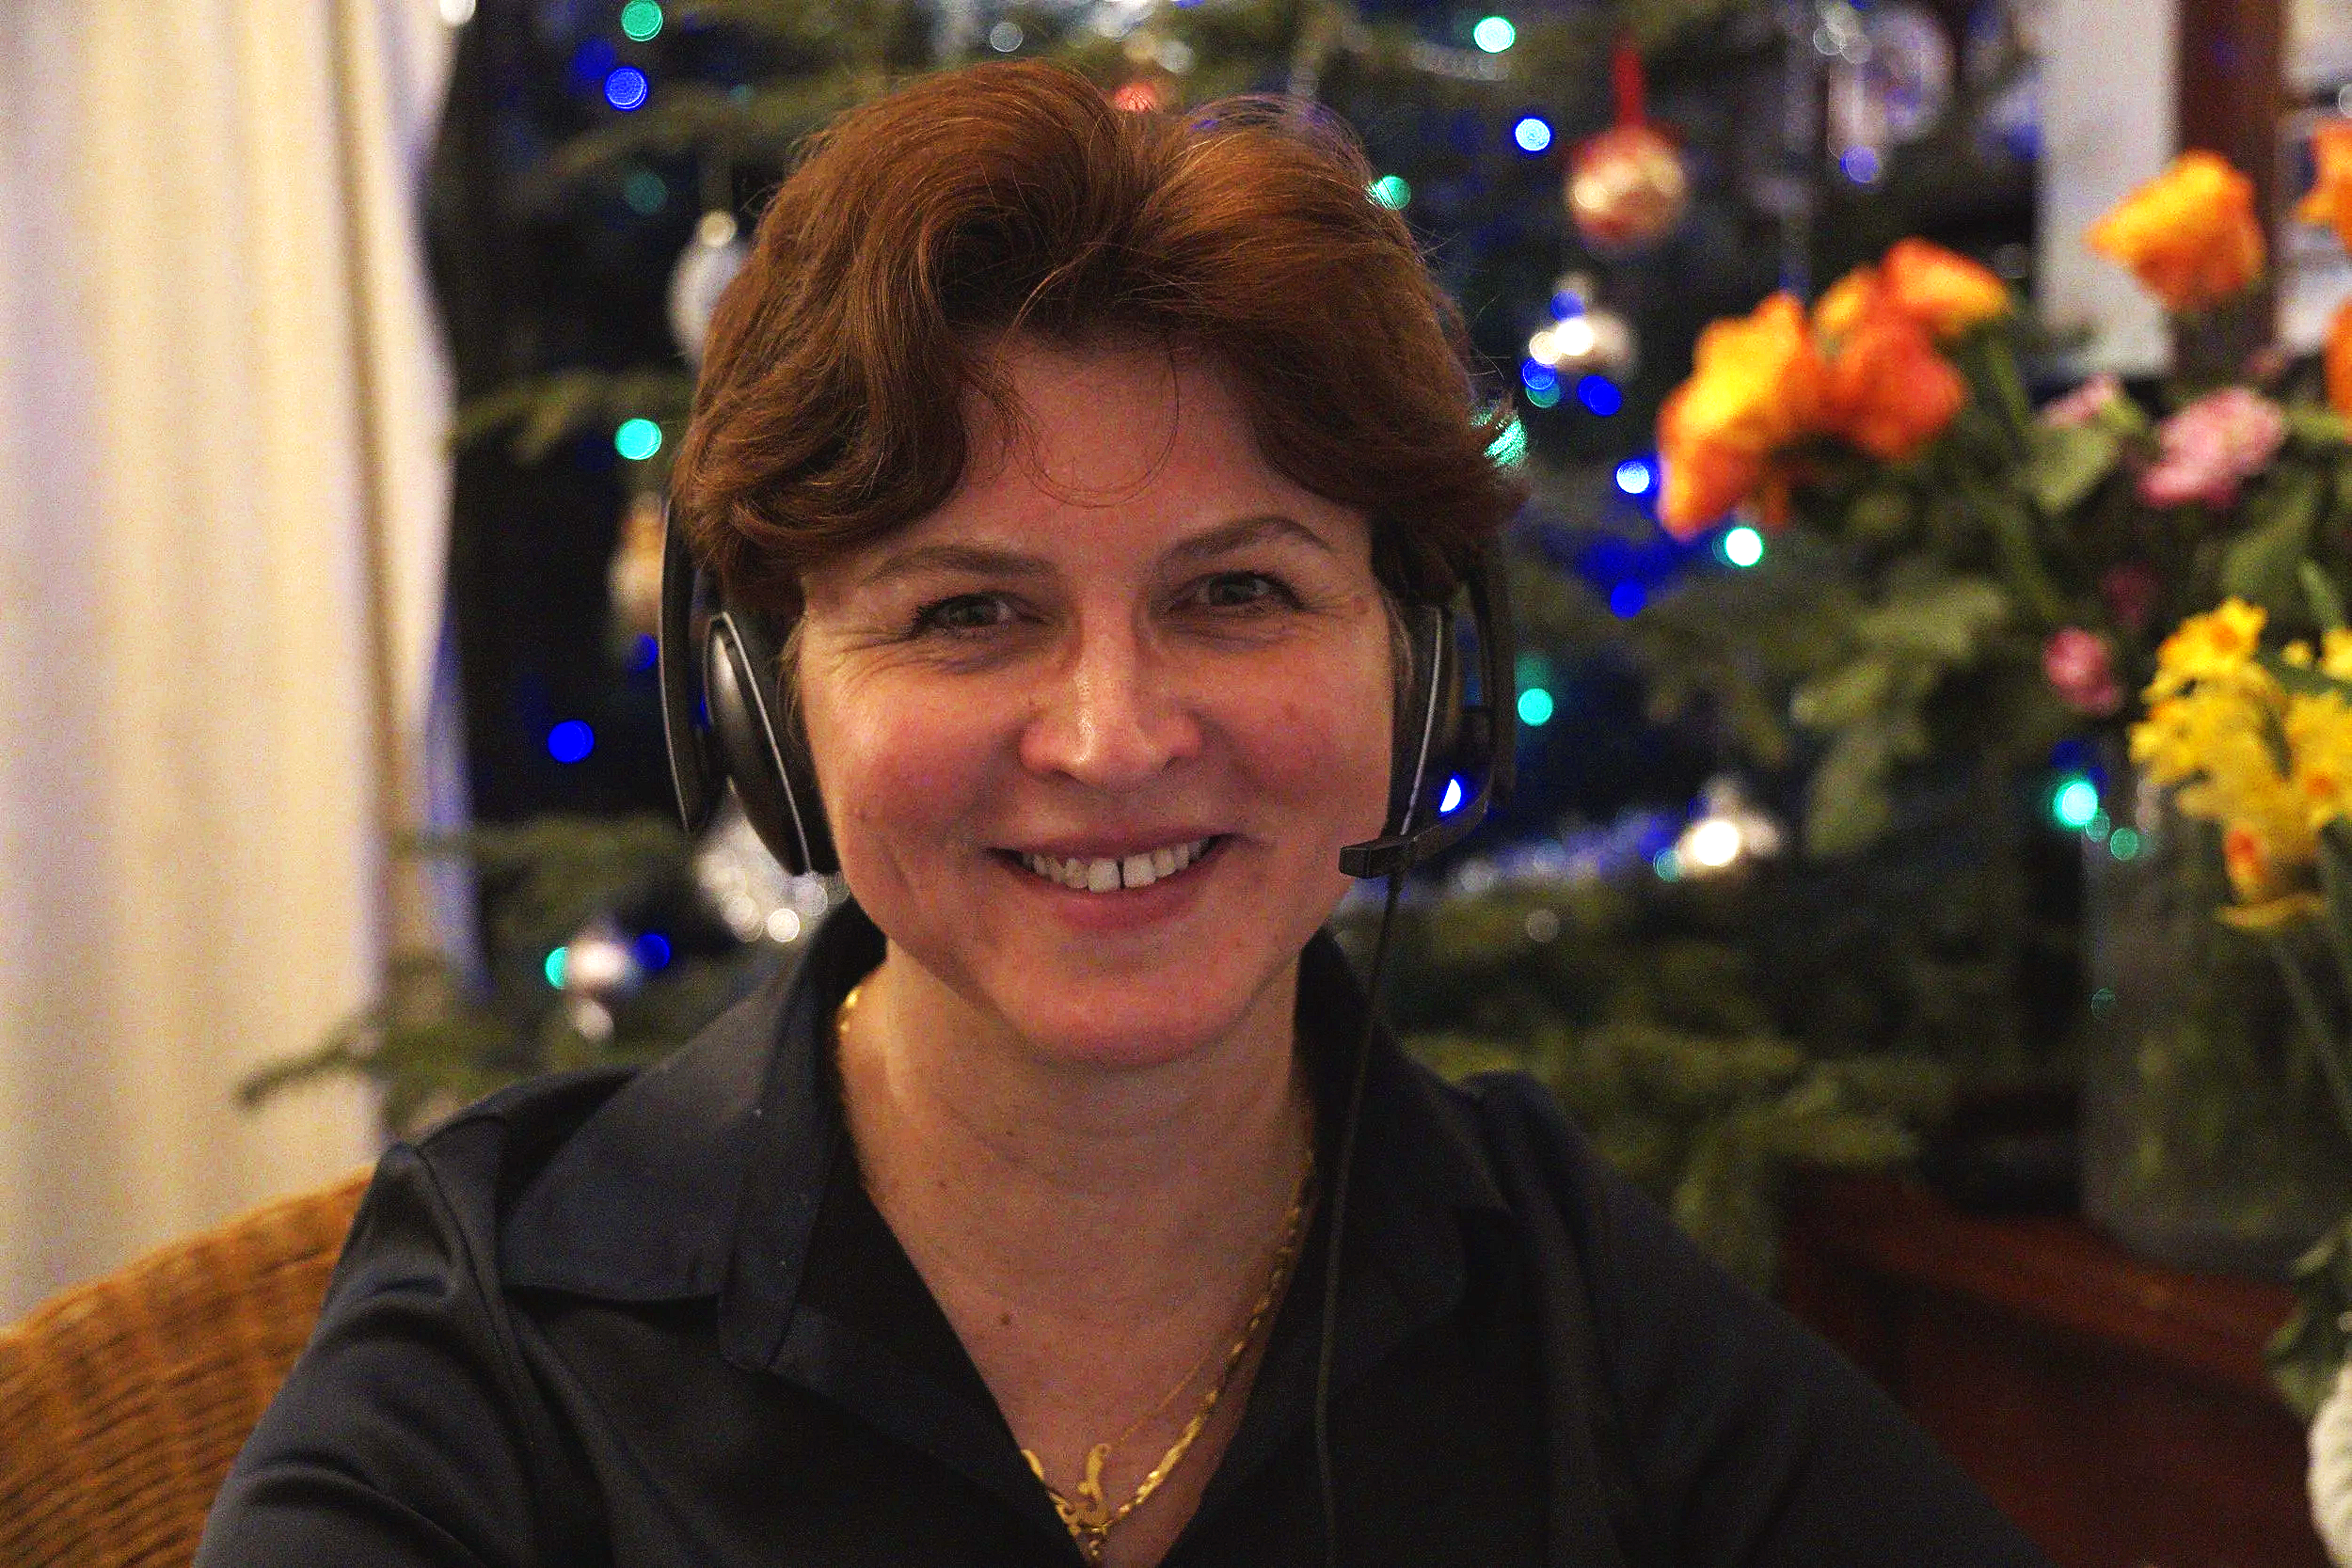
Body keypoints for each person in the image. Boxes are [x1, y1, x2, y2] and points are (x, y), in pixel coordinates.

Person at [199, 60, 2054, 1568]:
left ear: (1409, 663)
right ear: (770, 701)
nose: (1108, 735)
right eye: (965, 612)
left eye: (1235, 591)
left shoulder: (1547, 1279)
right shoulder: (512, 1313)